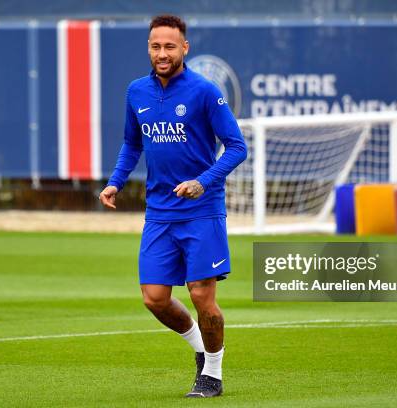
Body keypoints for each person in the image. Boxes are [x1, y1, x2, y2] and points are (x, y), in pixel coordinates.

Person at [99, 14, 247, 398]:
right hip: (160, 212)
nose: (162, 53)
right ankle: (202, 349)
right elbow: (133, 143)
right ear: (148, 48)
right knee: (154, 298)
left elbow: (237, 147)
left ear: (185, 48)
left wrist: (203, 182)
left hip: (202, 210)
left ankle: (212, 374)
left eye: (169, 46)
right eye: (155, 46)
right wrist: (115, 182)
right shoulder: (136, 92)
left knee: (201, 294)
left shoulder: (204, 91)